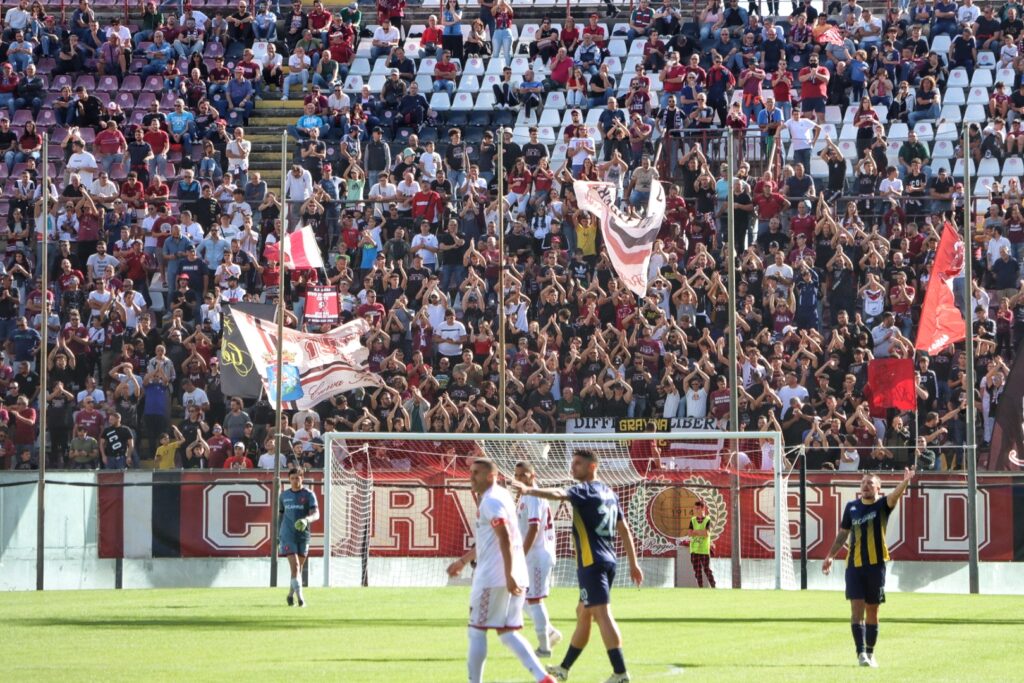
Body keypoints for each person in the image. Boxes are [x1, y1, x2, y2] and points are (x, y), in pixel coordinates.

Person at [512, 449, 642, 683]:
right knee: (583, 613)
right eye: (572, 464)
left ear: (593, 467)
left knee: (602, 613)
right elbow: (623, 529)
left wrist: (530, 490)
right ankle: (564, 668)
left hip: (592, 562)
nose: (573, 468)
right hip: (606, 559)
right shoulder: (609, 492)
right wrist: (633, 563)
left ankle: (620, 672)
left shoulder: (584, 490)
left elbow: (558, 493)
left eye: (578, 464)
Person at [446, 458, 555, 683]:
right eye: (471, 471)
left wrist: (508, 574)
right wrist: (463, 561)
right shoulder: (502, 496)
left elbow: (504, 536)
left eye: (476, 472)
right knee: (507, 633)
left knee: (476, 630)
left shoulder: (491, 502)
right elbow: (491, 541)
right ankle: (543, 677)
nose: (471, 476)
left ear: (490, 476)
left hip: (494, 578)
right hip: (513, 573)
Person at [822, 468, 915, 667]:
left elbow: (895, 495)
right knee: (856, 608)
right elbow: (842, 534)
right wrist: (830, 555)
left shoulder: (882, 505)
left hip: (876, 566)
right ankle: (861, 654)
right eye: (863, 482)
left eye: (870, 483)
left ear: (878, 488)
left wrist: (905, 481)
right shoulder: (851, 507)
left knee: (872, 610)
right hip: (854, 567)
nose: (865, 486)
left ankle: (871, 653)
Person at [514, 461, 562, 657]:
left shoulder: (533, 495)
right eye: (517, 476)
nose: (519, 479)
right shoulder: (525, 496)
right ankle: (549, 631)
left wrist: (521, 555)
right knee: (520, 597)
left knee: (534, 599)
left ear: (532, 476)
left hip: (536, 554)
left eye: (523, 475)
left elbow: (533, 528)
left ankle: (544, 647)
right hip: (532, 554)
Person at [278, 466, 320, 607]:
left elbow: (316, 514)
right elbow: (281, 515)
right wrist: (279, 534)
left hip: (303, 535)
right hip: (287, 535)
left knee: (298, 569)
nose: (295, 481)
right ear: (289, 479)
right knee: (295, 566)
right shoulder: (283, 496)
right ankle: (301, 599)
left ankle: (290, 595)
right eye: (292, 478)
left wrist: (306, 520)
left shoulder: (309, 494)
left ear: (302, 478)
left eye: (298, 478)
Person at [686, 499, 715, 588]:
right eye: (695, 509)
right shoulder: (693, 520)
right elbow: (689, 533)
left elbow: (706, 533)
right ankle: (700, 588)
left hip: (704, 549)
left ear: (703, 509)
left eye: (698, 508)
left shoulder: (707, 520)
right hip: (694, 549)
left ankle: (714, 586)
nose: (696, 510)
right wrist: (699, 532)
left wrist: (695, 532)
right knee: (697, 571)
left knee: (707, 569)